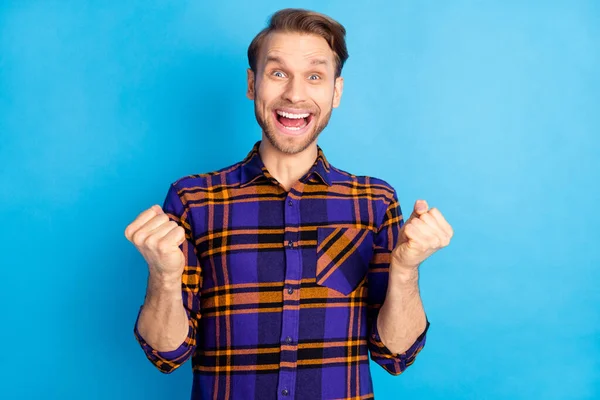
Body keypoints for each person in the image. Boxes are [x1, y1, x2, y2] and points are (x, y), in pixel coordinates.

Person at [124, 8, 453, 400]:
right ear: (252, 84)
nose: (295, 94)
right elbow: (167, 353)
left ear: (336, 91)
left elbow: (395, 353)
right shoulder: (193, 200)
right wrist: (162, 276)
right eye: (278, 73)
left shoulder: (375, 202)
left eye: (315, 76)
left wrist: (405, 270)